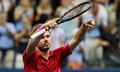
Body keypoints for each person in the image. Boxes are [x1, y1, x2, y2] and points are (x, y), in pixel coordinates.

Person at [23, 18, 95, 72]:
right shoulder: (30, 56)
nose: (46, 39)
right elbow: (31, 42)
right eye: (41, 37)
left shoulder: (58, 54)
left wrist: (84, 27)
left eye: (48, 36)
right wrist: (46, 25)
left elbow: (76, 40)